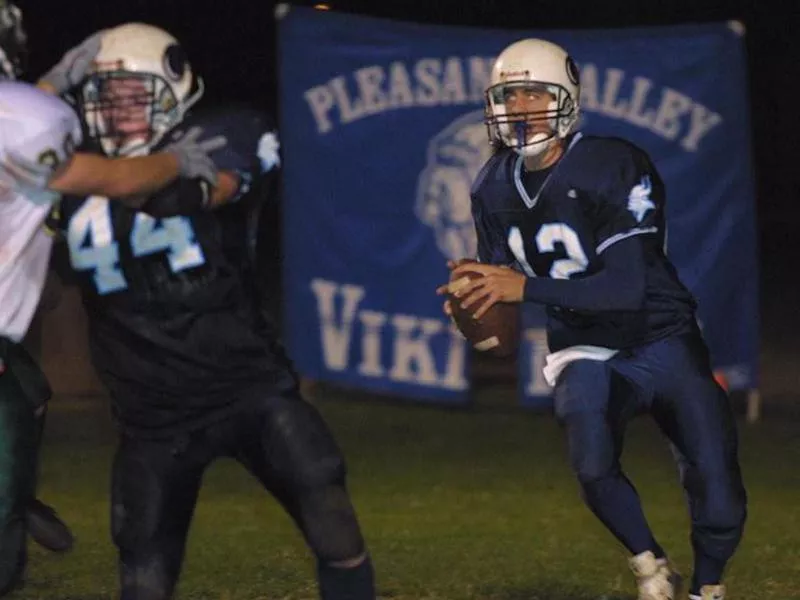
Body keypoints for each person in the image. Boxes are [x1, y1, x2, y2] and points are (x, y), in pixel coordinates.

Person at [52, 23, 375, 600]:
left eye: (135, 92)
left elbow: (171, 190)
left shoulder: (226, 129)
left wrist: (58, 166)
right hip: (149, 412)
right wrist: (48, 88)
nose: (120, 110)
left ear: (176, 87)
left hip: (244, 383)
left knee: (326, 502)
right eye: (106, 95)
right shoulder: (73, 169)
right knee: (143, 573)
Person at [437, 38, 746, 600]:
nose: (521, 107)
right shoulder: (491, 185)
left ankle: (707, 586)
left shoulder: (614, 163)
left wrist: (522, 286)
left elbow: (627, 289)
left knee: (717, 485)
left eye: (535, 92)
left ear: (567, 96)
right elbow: (502, 334)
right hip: (583, 343)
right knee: (590, 455)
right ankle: (650, 563)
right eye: (509, 95)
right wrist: (475, 313)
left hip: (661, 335)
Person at [0, 7, 225, 593]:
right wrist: (178, 162)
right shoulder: (26, 117)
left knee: (27, 392)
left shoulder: (23, 114)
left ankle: (16, 492)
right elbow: (108, 178)